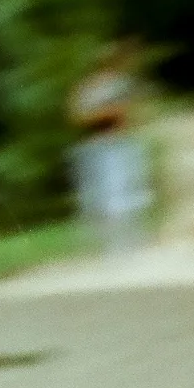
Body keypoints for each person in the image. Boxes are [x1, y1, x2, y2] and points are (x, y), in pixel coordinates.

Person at [67, 41, 152, 253]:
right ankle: (112, 244)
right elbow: (77, 115)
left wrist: (119, 115)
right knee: (105, 194)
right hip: (98, 143)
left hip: (122, 140)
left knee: (128, 189)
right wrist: (106, 113)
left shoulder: (122, 85)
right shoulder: (89, 88)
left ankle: (132, 240)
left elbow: (132, 111)